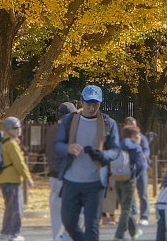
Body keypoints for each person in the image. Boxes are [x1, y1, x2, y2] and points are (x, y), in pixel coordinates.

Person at [55, 84, 124, 241]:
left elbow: (115, 150)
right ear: (81, 101)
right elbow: (57, 145)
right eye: (88, 103)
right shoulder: (69, 120)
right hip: (71, 180)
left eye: (95, 104)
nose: (92, 108)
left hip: (95, 182)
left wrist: (102, 155)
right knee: (69, 222)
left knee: (92, 225)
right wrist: (68, 148)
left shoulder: (108, 123)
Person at [0, 117, 34, 241]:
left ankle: (4, 233)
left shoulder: (3, 142)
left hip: (3, 179)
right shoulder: (12, 144)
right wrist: (27, 177)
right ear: (8, 130)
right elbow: (19, 162)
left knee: (9, 207)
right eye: (15, 128)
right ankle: (14, 234)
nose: (19, 130)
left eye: (19, 127)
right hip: (12, 179)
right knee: (17, 207)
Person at [112, 119, 147, 241]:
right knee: (126, 209)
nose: (139, 138)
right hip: (129, 179)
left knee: (124, 206)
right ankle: (119, 235)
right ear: (133, 135)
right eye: (137, 135)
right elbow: (141, 165)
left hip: (117, 178)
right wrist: (134, 175)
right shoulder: (135, 147)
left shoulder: (118, 145)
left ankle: (134, 232)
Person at [47, 102, 78, 241]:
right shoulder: (67, 131)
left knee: (57, 214)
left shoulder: (52, 129)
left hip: (53, 175)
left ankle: (58, 238)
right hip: (67, 177)